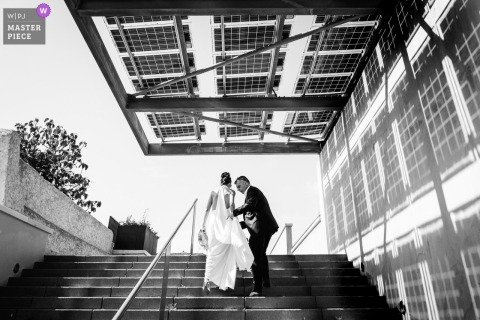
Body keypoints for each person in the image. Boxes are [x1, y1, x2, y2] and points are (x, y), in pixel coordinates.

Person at [201, 172, 254, 293]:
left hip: (213, 224)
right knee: (227, 252)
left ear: (221, 181)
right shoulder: (231, 192)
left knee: (212, 252)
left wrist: (203, 225)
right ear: (230, 183)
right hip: (225, 223)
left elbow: (207, 209)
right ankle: (224, 279)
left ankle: (206, 280)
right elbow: (232, 209)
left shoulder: (214, 191)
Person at [229, 176, 279, 297]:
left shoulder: (252, 191)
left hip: (260, 228)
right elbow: (251, 217)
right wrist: (236, 225)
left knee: (254, 256)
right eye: (236, 187)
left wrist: (233, 213)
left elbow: (250, 205)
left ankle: (257, 288)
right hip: (265, 226)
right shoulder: (252, 193)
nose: (238, 188)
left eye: (239, 185)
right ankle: (265, 280)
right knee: (261, 253)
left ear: (246, 183)